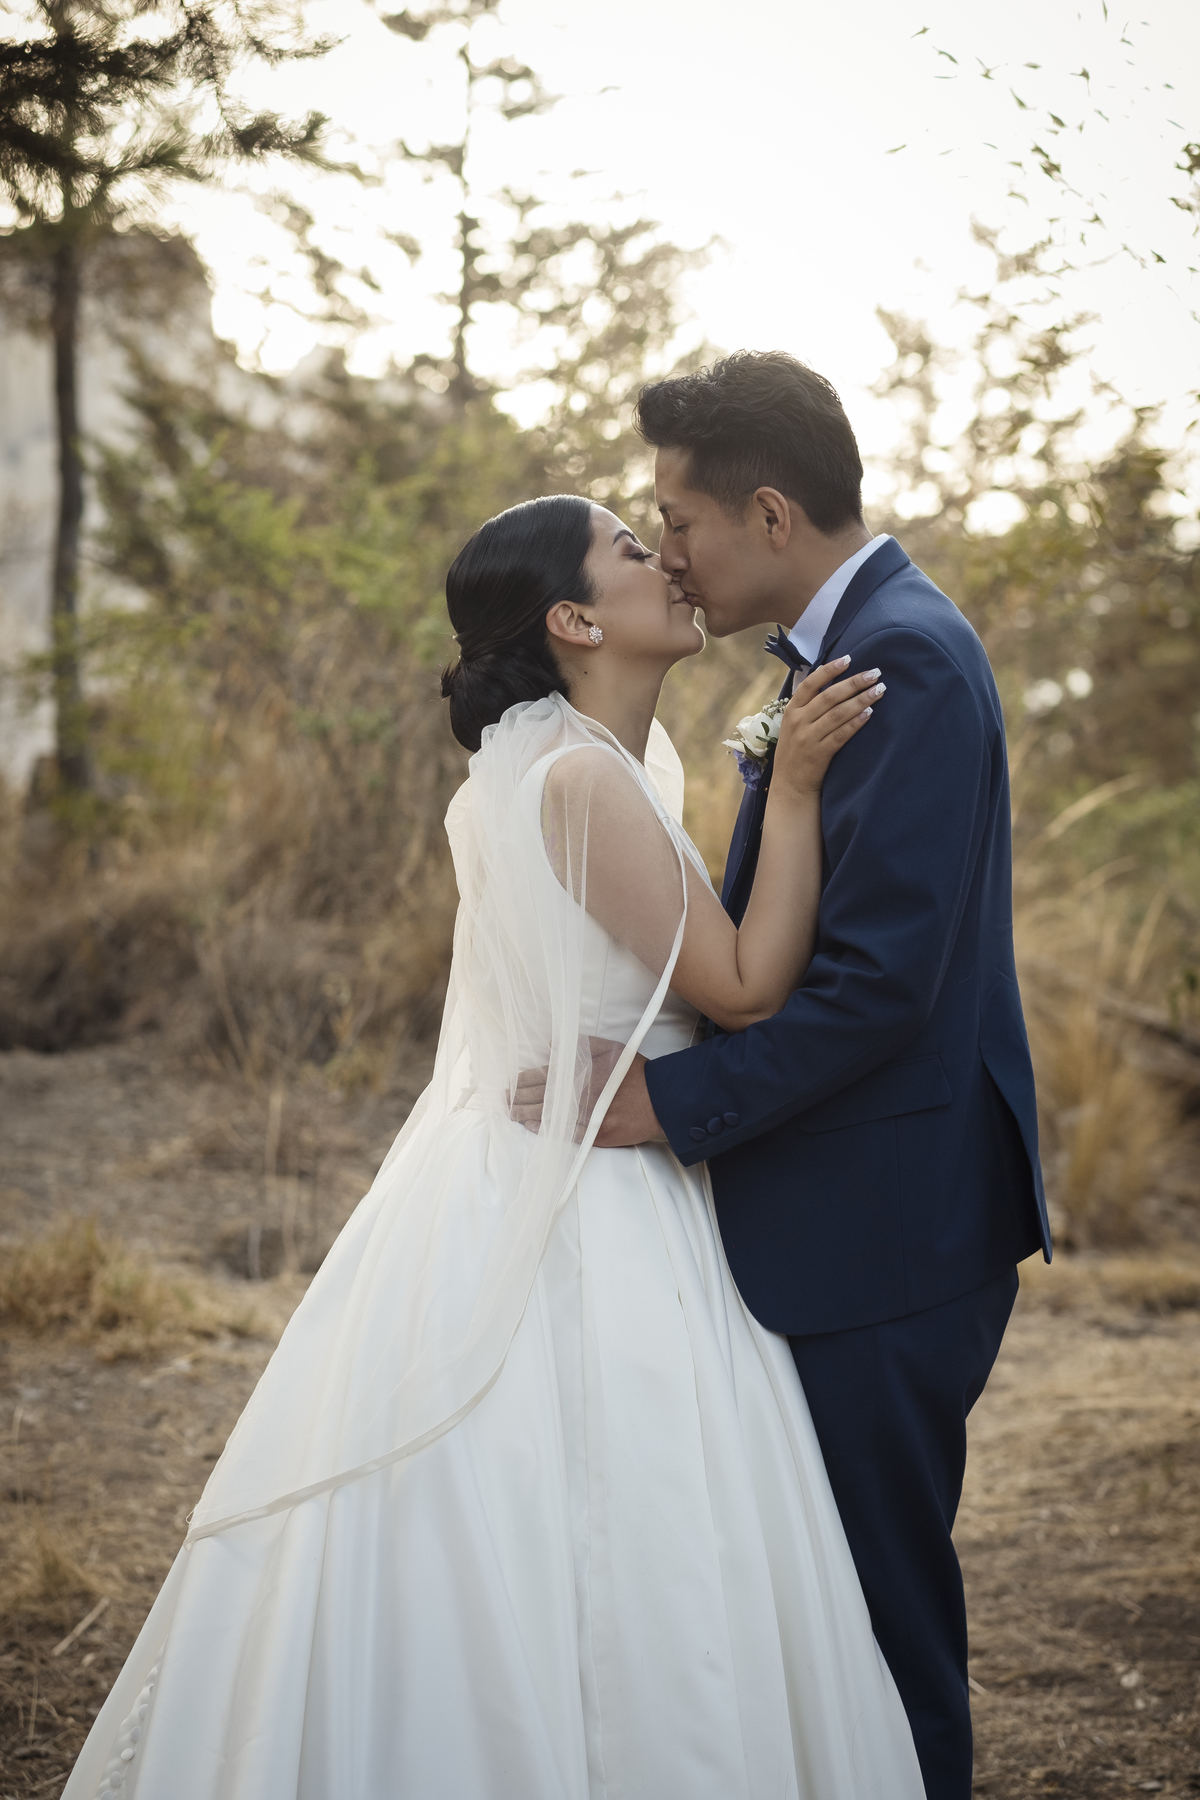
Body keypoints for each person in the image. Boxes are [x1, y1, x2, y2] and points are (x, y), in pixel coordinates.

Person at [64, 492, 924, 1800]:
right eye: (636, 553)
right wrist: (796, 783)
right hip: (596, 1190)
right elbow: (743, 986)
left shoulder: (584, 763)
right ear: (576, 618)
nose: (669, 561)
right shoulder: (578, 778)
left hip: (562, 1158)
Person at [591, 351, 1053, 1800]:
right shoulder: (845, 654)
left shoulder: (900, 655)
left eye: (681, 517)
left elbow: (878, 990)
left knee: (880, 1615)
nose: (669, 548)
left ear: (771, 515)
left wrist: (670, 1107)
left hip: (891, 1225)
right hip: (856, 1208)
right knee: (824, 1603)